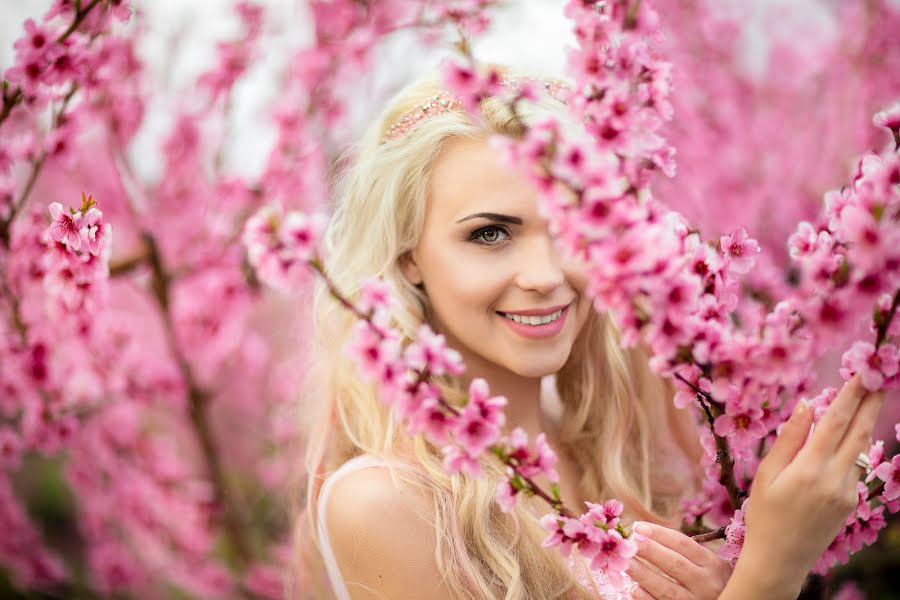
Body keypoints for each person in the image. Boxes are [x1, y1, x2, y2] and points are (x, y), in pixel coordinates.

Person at [291, 66, 885, 600]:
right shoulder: (389, 503)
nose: (547, 276)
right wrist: (770, 573)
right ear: (409, 256)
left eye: (571, 228)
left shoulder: (631, 464)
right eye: (490, 234)